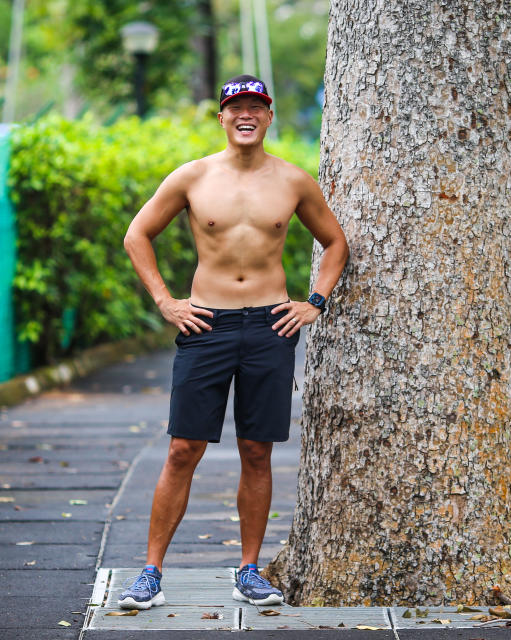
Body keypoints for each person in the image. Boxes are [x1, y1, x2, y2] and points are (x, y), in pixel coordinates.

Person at [120, 74, 348, 609]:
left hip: (271, 326)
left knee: (256, 450)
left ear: (269, 118)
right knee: (182, 449)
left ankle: (248, 569)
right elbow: (137, 235)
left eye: (256, 107)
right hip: (206, 325)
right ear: (221, 118)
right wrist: (165, 301)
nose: (245, 114)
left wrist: (313, 302)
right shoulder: (193, 178)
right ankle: (150, 572)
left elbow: (335, 242)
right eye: (235, 107)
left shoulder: (293, 182)